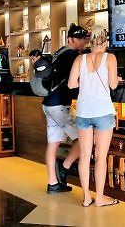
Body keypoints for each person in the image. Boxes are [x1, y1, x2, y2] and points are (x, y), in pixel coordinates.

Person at [68, 25, 121, 207]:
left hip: (83, 112)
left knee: (84, 156)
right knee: (100, 157)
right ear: (105, 42)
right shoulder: (110, 58)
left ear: (90, 42)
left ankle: (86, 198)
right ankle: (99, 198)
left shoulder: (80, 59)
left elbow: (71, 85)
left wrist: (86, 81)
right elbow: (113, 85)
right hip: (103, 112)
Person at [41, 24, 87, 194]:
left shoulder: (59, 52)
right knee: (85, 137)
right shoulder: (73, 56)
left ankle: (53, 183)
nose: (83, 42)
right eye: (80, 39)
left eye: (84, 39)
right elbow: (75, 82)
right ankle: (64, 167)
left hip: (48, 104)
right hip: (59, 105)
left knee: (53, 144)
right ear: (71, 39)